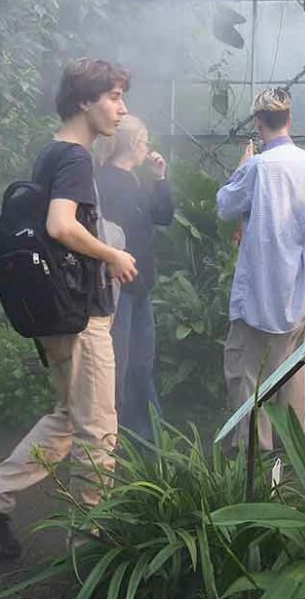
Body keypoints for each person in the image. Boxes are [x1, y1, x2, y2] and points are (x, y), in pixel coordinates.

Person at [0, 58, 138, 558]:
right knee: (97, 429)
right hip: (80, 316)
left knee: (68, 416)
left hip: (54, 312)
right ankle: (92, 544)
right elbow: (61, 226)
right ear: (85, 100)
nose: (122, 109)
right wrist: (114, 255)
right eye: (114, 96)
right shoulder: (77, 158)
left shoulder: (51, 153)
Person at [216, 87, 305, 451]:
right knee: (292, 376)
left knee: (249, 381)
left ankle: (256, 470)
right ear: (289, 120)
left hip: (260, 294)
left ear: (259, 124)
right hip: (297, 289)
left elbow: (225, 206)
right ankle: (293, 462)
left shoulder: (258, 167)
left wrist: (242, 165)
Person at [95, 116, 174, 441]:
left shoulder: (132, 180)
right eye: (144, 142)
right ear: (131, 144)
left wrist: (160, 178)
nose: (148, 148)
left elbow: (162, 216)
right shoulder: (106, 181)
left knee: (140, 365)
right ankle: (116, 437)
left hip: (139, 288)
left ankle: (148, 438)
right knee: (121, 366)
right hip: (117, 291)